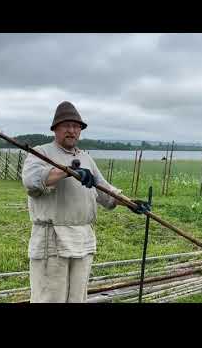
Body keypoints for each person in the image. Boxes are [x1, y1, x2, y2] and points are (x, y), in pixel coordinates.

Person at [22, 101, 150, 303]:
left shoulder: (86, 159)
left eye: (76, 126)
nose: (72, 130)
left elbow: (105, 191)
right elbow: (32, 182)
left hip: (83, 238)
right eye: (66, 125)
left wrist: (131, 203)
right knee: (50, 297)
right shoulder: (41, 153)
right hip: (52, 239)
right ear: (55, 129)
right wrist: (68, 171)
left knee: (77, 298)